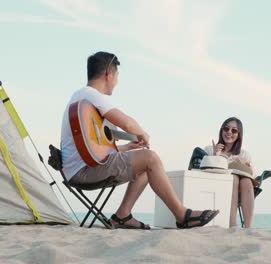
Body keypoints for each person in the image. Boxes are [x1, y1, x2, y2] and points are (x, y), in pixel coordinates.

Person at [60, 51, 218, 229]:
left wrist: (127, 146)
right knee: (150, 158)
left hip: (81, 168)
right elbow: (127, 124)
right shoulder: (92, 96)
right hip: (84, 172)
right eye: (117, 76)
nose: (117, 81)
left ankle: (122, 216)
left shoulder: (82, 97)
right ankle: (182, 215)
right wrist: (142, 133)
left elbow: (93, 151)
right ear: (108, 75)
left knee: (145, 166)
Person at [204, 117, 255, 228]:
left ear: (239, 134)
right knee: (234, 178)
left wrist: (245, 163)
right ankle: (233, 225)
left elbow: (253, 176)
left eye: (234, 130)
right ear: (222, 130)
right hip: (216, 185)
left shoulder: (243, 154)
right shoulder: (209, 149)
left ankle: (248, 227)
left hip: (241, 189)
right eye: (226, 129)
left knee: (246, 181)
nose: (229, 132)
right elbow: (203, 172)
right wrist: (215, 156)